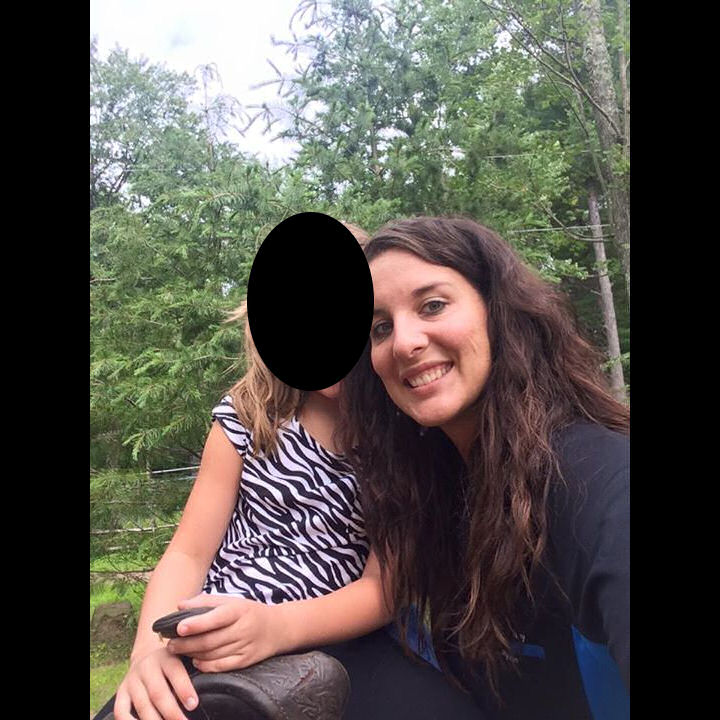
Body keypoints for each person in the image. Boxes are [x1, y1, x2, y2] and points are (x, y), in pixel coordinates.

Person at [94, 222, 483, 720]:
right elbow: (188, 552)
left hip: (338, 636)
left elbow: (384, 588)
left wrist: (276, 628)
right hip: (219, 630)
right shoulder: (247, 416)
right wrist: (147, 653)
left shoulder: (408, 437)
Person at [336, 216, 629, 720]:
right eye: (380, 328)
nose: (404, 342)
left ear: (498, 311)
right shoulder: (440, 493)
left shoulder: (599, 483)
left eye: (432, 305)